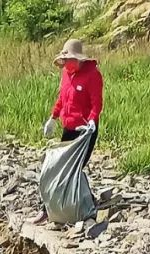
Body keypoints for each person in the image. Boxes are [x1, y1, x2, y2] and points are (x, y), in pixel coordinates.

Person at [44, 38, 103, 166]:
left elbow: (96, 102)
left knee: (76, 166)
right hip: (69, 127)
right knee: (63, 164)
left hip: (85, 129)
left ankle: (76, 186)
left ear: (78, 59)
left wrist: (93, 119)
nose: (65, 63)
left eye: (68, 60)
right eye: (64, 60)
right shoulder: (66, 73)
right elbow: (62, 98)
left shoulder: (92, 75)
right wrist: (53, 117)